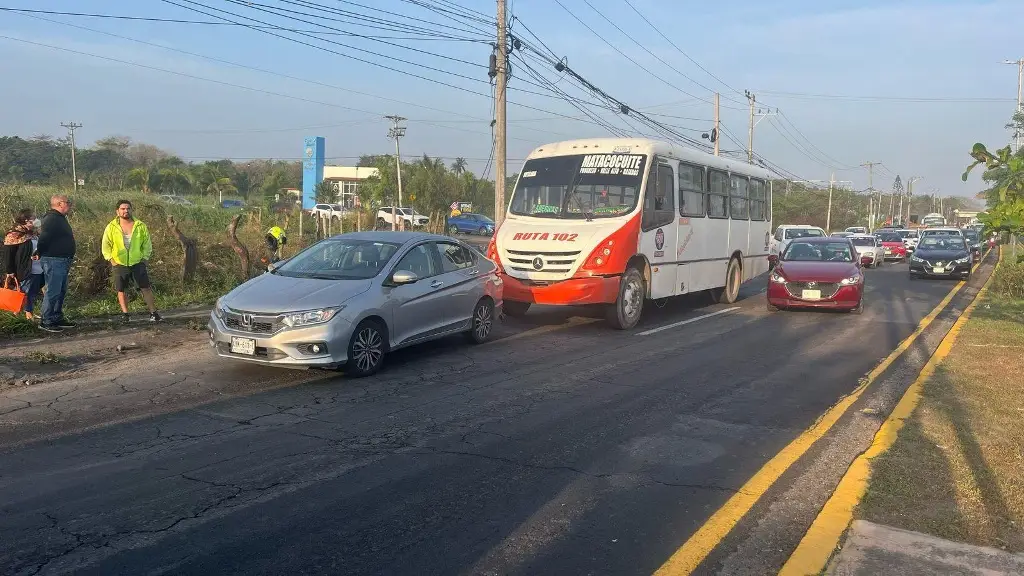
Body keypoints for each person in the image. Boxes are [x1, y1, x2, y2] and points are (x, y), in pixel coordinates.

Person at [101, 200, 162, 324]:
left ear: (131, 210)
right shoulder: (111, 227)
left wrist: (144, 259)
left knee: (145, 287)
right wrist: (111, 260)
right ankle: (125, 314)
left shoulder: (140, 225)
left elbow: (147, 244)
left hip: (137, 262)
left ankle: (153, 313)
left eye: (128, 208)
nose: (126, 211)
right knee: (121, 289)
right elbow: (105, 245)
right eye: (123, 209)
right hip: (119, 262)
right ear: (117, 211)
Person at [36, 195, 76, 333]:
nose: (70, 205)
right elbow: (44, 236)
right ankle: (46, 320)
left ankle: (56, 316)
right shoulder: (51, 218)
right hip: (53, 260)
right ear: (60, 204)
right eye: (68, 202)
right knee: (53, 291)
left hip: (62, 260)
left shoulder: (59, 218)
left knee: (61, 290)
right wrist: (39, 251)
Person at [1, 210, 42, 320]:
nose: (36, 221)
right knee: (24, 291)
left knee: (32, 292)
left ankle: (27, 312)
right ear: (26, 221)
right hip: (24, 269)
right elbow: (8, 254)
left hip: (37, 268)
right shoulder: (14, 234)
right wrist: (9, 271)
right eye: (34, 218)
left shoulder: (33, 233)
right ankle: (19, 314)